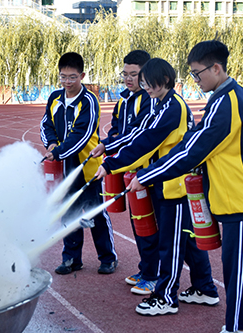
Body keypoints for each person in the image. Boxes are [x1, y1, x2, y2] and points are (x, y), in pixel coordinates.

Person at [127, 41, 243, 333]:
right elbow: (195, 139)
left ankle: (237, 328)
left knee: (238, 268)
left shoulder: (226, 102)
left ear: (216, 68)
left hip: (240, 196)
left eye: (197, 73)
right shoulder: (232, 95)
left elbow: (191, 151)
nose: (195, 80)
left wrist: (147, 175)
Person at [95, 58, 219, 315]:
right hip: (169, 182)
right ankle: (205, 288)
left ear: (164, 81)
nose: (145, 88)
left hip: (174, 186)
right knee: (187, 240)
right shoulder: (160, 103)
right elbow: (140, 134)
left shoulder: (172, 108)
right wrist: (111, 150)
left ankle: (165, 297)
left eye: (148, 83)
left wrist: (111, 165)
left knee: (170, 243)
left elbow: (146, 141)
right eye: (143, 83)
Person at [40, 52, 118, 275]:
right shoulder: (55, 98)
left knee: (95, 213)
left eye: (72, 77)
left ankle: (108, 257)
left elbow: (81, 135)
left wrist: (59, 152)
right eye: (63, 77)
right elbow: (46, 124)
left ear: (82, 75)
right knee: (68, 212)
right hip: (63, 167)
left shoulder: (89, 101)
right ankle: (71, 258)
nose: (67, 82)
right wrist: (52, 144)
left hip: (87, 167)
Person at [91, 50, 160, 295]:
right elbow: (117, 131)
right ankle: (146, 269)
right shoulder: (123, 101)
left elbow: (137, 134)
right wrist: (106, 142)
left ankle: (155, 275)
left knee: (151, 225)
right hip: (130, 172)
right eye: (125, 74)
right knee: (138, 222)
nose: (128, 79)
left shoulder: (150, 100)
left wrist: (109, 146)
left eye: (134, 74)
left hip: (150, 173)